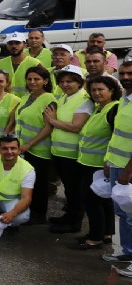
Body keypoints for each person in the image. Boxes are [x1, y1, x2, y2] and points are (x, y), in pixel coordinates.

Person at [71, 76, 120, 249]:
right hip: (89, 163)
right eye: (93, 90)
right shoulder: (100, 108)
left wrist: (108, 161)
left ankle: (95, 237)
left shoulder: (114, 109)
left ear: (111, 90)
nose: (96, 93)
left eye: (101, 89)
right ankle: (106, 233)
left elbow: (116, 138)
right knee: (103, 200)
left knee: (92, 201)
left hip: (99, 165)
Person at [45, 65, 92, 234]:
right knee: (69, 190)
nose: (65, 84)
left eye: (70, 81)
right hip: (60, 153)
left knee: (75, 190)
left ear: (79, 83)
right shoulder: (64, 97)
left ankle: (74, 222)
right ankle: (69, 217)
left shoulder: (84, 99)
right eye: (62, 81)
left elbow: (75, 127)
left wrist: (52, 120)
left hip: (73, 155)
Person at [14, 65, 56, 225]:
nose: (32, 82)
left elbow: (48, 127)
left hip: (39, 149)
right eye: (29, 79)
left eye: (36, 79)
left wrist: (29, 144)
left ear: (45, 81)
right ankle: (28, 209)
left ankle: (39, 215)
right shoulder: (27, 97)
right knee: (27, 182)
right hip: (24, 147)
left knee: (39, 184)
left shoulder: (49, 99)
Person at [101, 61, 132, 269]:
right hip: (116, 163)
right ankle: (127, 252)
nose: (127, 77)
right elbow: (119, 134)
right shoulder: (124, 98)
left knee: (131, 215)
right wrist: (109, 160)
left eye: (130, 73)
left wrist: (128, 171)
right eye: (123, 73)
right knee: (122, 212)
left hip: (128, 169)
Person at [0, 32, 41, 98]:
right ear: (7, 45)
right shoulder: (0, 64)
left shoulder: (35, 63)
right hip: (6, 102)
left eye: (17, 43)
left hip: (27, 103)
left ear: (24, 45)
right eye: (10, 43)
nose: (14, 46)